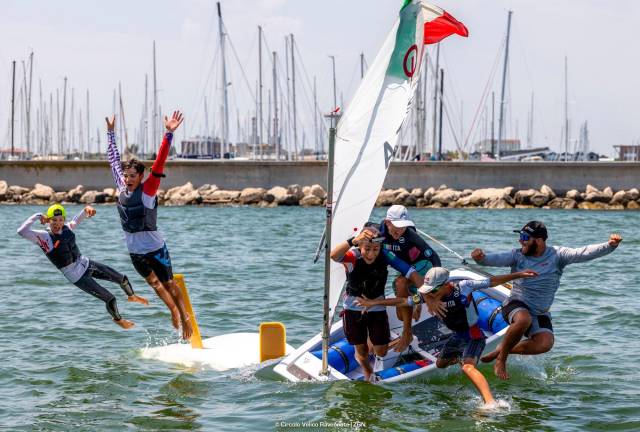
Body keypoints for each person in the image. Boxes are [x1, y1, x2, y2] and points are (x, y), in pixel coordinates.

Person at [356, 266, 537, 405]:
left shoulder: (464, 287)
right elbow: (404, 301)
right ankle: (462, 358)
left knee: (467, 367)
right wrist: (374, 302)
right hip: (457, 336)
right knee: (440, 364)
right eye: (427, 290)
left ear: (446, 284)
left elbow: (493, 281)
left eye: (433, 290)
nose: (429, 293)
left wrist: (519, 275)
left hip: (474, 335)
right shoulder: (428, 294)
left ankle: (490, 403)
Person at [471, 220, 623, 380]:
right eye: (520, 236)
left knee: (545, 344)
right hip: (515, 305)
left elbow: (583, 252)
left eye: (524, 237)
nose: (520, 240)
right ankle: (501, 359)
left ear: (539, 240)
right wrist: (480, 258)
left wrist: (610, 245)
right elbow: (493, 259)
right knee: (524, 319)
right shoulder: (517, 255)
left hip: (540, 312)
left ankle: (502, 350)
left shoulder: (557, 255)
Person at [106, 111, 193, 340]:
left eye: (133, 175)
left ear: (141, 176)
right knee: (154, 284)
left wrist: (169, 133)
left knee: (169, 283)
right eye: (126, 176)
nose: (128, 179)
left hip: (155, 247)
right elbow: (113, 160)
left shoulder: (148, 189)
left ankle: (186, 319)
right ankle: (173, 310)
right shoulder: (121, 187)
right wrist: (110, 133)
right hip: (135, 250)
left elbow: (160, 162)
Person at [17, 204, 148, 328]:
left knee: (122, 278)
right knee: (110, 299)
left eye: (60, 219)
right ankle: (119, 320)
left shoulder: (67, 227)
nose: (57, 223)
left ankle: (132, 296)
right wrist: (38, 216)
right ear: (48, 220)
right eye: (53, 220)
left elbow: (80, 216)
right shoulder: (43, 238)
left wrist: (87, 209)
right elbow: (22, 231)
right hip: (76, 275)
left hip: (86, 263)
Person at [331, 224, 420, 382]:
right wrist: (353, 240)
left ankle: (375, 340)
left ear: (380, 247)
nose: (371, 254)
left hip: (376, 306)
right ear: (360, 245)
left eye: (375, 249)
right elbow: (334, 255)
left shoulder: (385, 256)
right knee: (362, 352)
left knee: (381, 352)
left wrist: (424, 294)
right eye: (367, 249)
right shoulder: (353, 257)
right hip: (353, 308)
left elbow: (410, 271)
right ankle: (367, 369)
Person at [379, 205, 442, 352]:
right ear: (387, 222)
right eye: (397, 227)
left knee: (400, 283)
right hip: (405, 268)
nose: (400, 231)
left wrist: (436, 285)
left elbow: (434, 257)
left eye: (403, 227)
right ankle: (416, 300)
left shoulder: (410, 235)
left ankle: (407, 334)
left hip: (422, 265)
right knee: (401, 315)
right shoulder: (378, 233)